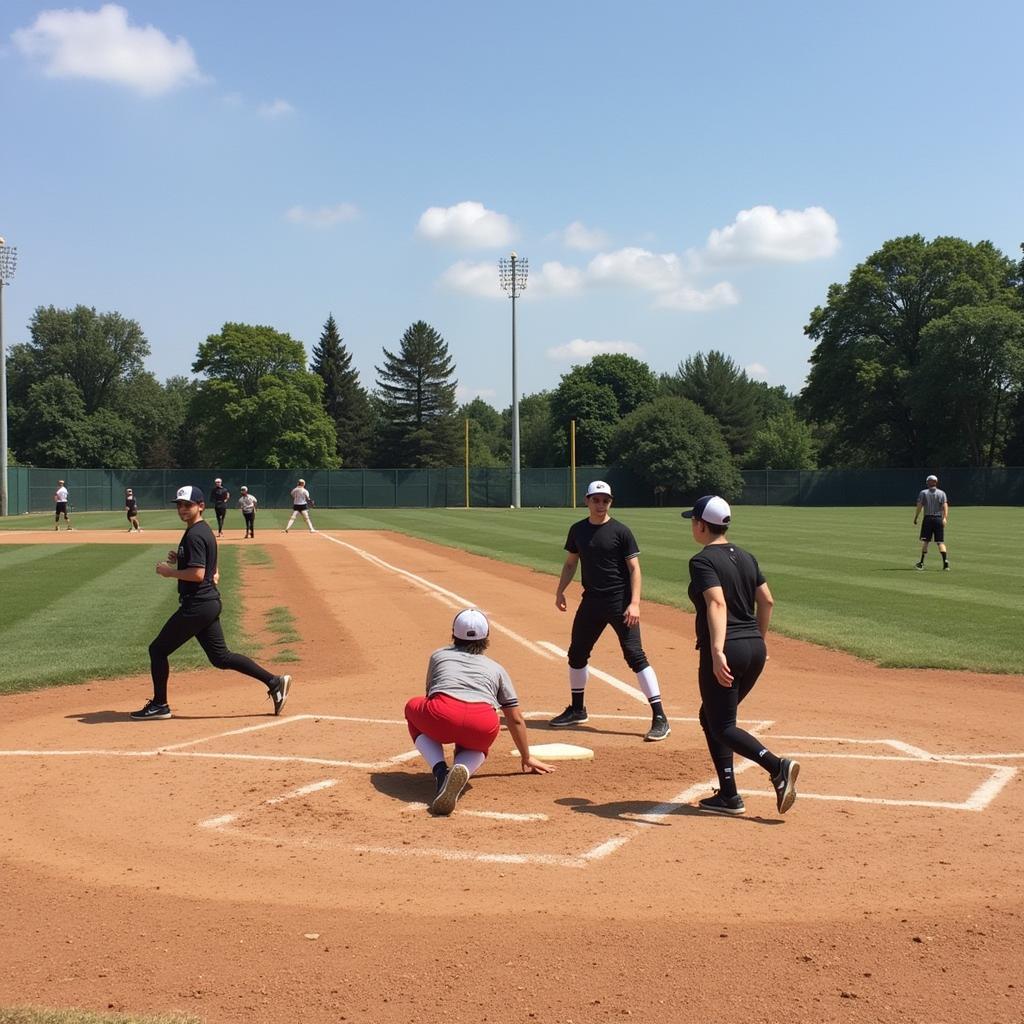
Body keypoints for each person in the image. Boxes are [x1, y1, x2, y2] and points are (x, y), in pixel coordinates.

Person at [130, 485, 292, 721]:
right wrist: (181, 559)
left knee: (157, 650)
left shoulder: (195, 534)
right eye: (180, 505)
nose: (183, 509)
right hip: (207, 603)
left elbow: (197, 574)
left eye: (188, 505)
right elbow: (209, 567)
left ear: (201, 506)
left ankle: (160, 705)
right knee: (221, 658)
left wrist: (169, 572)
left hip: (197, 605)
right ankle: (274, 681)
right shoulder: (202, 530)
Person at [683, 494, 799, 816]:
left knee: (722, 725)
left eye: (693, 521)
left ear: (702, 526)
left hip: (728, 649)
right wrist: (758, 640)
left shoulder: (702, 561)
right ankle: (729, 795)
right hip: (753, 648)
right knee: (712, 717)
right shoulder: (747, 557)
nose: (692, 526)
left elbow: (716, 603)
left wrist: (718, 650)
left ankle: (777, 766)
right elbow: (767, 601)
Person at [551, 480, 670, 742]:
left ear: (610, 502)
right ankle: (577, 709)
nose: (600, 504)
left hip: (619, 602)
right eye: (596, 499)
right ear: (587, 501)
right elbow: (571, 563)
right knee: (577, 653)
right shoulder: (578, 530)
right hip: (591, 601)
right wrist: (560, 591)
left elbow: (634, 569)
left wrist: (635, 602)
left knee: (635, 655)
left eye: (605, 500)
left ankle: (660, 716)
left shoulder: (621, 531)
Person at [405, 608, 554, 815]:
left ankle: (440, 771)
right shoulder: (497, 668)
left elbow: (431, 694)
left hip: (441, 715)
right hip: (482, 722)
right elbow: (516, 718)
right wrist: (526, 756)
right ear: (487, 638)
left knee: (413, 706)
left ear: (453, 633)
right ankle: (464, 768)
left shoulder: (438, 656)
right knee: (477, 743)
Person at [914, 474, 950, 571]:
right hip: (938, 519)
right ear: (936, 482)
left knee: (926, 541)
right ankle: (945, 562)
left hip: (928, 519)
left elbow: (919, 506)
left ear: (928, 482)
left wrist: (916, 517)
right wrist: (945, 518)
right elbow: (945, 506)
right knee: (940, 542)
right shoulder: (942, 493)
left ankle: (921, 562)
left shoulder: (923, 493)